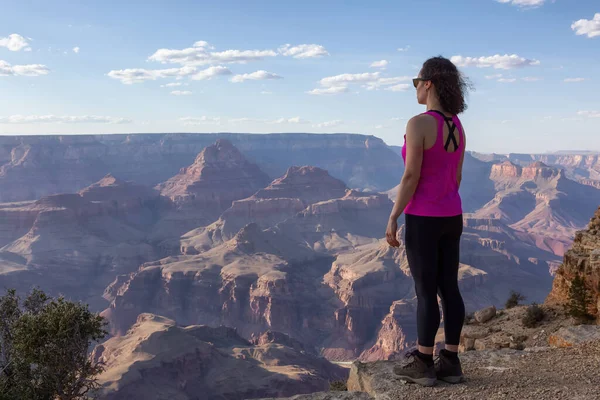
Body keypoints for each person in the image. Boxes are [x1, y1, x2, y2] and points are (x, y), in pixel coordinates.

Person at [385, 56, 470, 387]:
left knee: (425, 291)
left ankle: (422, 362)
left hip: (423, 218)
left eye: (416, 82)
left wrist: (394, 216)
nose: (416, 88)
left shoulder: (418, 123)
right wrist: (445, 200)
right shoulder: (458, 125)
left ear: (429, 83)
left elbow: (411, 176)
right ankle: (450, 360)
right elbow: (457, 175)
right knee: (449, 286)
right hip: (452, 215)